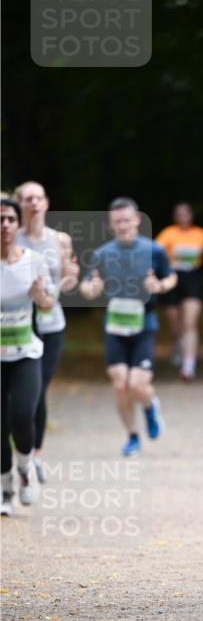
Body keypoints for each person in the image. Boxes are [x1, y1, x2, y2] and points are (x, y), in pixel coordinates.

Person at [79, 197, 176, 456]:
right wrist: (92, 289)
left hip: (144, 323)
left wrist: (160, 286)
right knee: (120, 384)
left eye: (127, 219)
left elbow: (170, 277)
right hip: (115, 325)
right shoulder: (102, 254)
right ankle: (132, 436)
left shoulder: (154, 250)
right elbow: (87, 285)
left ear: (136, 220)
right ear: (111, 225)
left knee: (137, 385)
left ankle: (150, 406)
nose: (123, 225)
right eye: (117, 221)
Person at [15, 180, 79, 483]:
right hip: (18, 326)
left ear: (47, 203)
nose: (34, 204)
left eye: (38, 198)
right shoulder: (10, 238)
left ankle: (36, 454)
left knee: (38, 390)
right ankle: (24, 452)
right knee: (21, 396)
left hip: (52, 325)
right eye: (28, 199)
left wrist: (67, 281)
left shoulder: (60, 240)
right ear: (19, 204)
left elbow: (69, 280)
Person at [1, 198, 54, 515]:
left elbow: (48, 304)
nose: (4, 224)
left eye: (9, 218)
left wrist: (40, 296)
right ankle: (5, 489)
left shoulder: (34, 260)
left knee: (22, 416)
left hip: (25, 353)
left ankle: (25, 467)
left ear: (17, 225)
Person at [155, 203, 203, 381]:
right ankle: (177, 343)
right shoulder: (168, 233)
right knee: (175, 324)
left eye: (186, 213)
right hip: (172, 279)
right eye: (179, 214)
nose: (183, 216)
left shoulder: (201, 234)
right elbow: (156, 253)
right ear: (175, 216)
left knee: (190, 323)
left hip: (192, 279)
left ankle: (188, 365)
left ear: (191, 215)